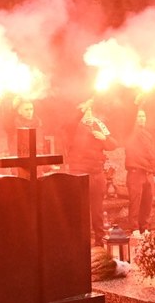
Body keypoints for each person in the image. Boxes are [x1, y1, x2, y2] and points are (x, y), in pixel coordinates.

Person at [66, 100, 118, 244]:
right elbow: (72, 122)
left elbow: (113, 144)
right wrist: (81, 110)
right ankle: (80, 239)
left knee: (97, 209)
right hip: (80, 173)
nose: (88, 114)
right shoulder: (74, 127)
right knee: (80, 208)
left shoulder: (98, 125)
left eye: (90, 111)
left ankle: (99, 239)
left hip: (97, 173)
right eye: (85, 111)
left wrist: (104, 138)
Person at [123, 109, 155, 234]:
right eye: (139, 116)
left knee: (147, 202)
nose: (141, 118)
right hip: (136, 172)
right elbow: (129, 120)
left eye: (143, 116)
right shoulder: (131, 133)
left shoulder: (148, 135)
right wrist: (136, 105)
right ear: (135, 119)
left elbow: (152, 155)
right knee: (135, 202)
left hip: (148, 173)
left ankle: (145, 227)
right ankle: (135, 228)